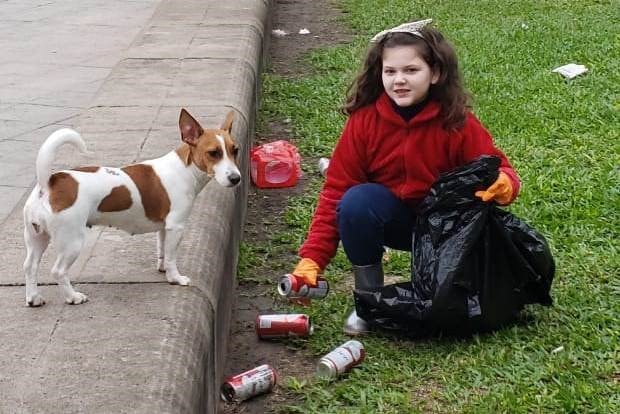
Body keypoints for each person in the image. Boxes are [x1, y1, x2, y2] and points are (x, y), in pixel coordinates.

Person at [290, 19, 521, 335]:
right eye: (390, 72)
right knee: (356, 202)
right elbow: (335, 191)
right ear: (380, 73)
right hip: (398, 220)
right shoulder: (364, 123)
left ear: (435, 73)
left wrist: (505, 184)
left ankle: (444, 285)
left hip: (448, 227)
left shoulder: (457, 121)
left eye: (411, 71)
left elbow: (501, 168)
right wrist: (312, 260)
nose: (399, 80)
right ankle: (369, 301)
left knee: (452, 307)